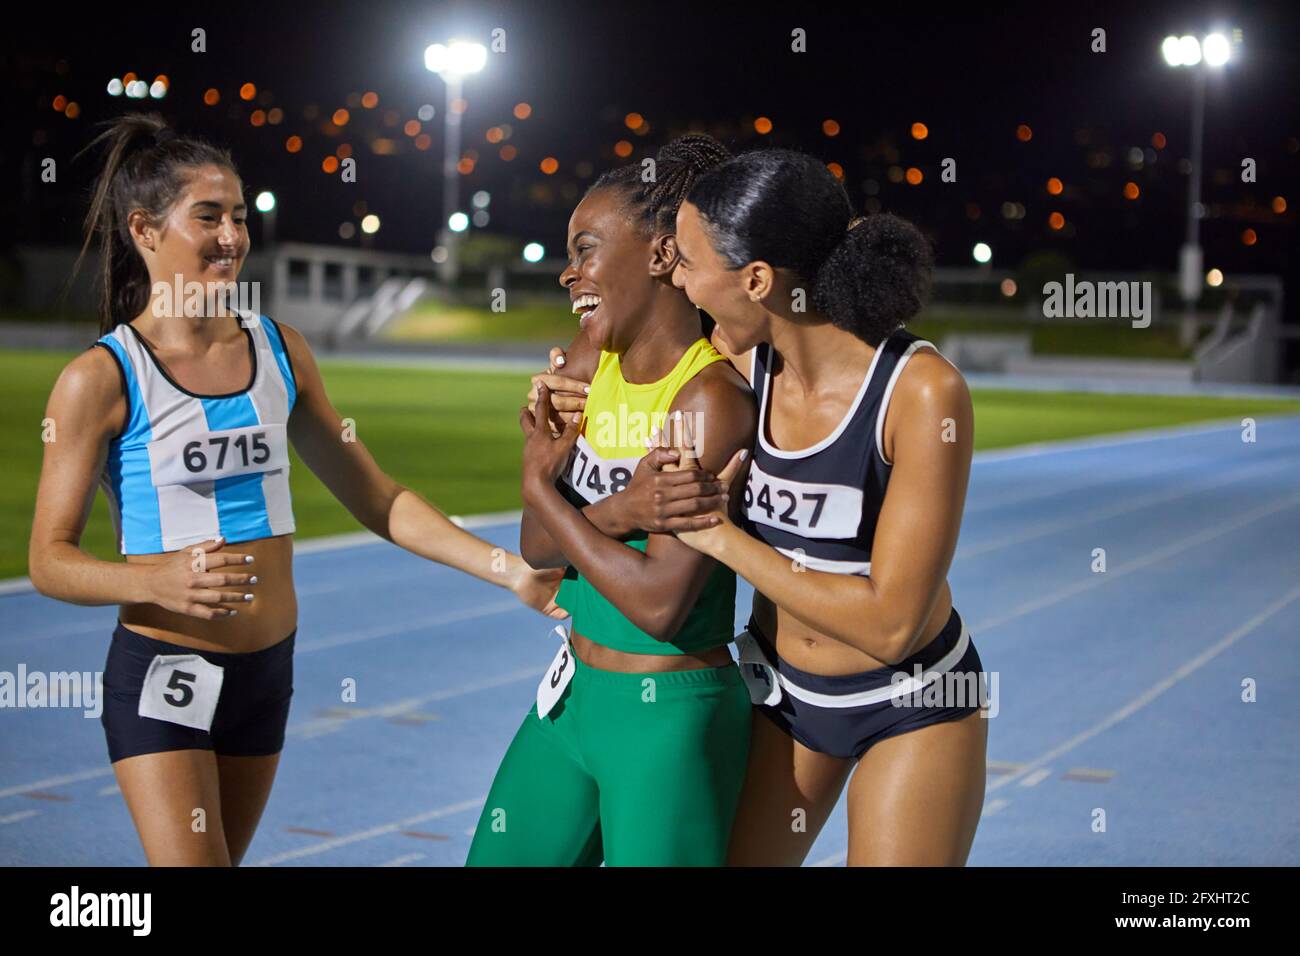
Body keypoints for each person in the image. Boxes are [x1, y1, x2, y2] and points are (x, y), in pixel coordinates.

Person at [27, 113, 563, 867]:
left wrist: (507, 569)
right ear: (145, 230)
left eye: (240, 217)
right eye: (207, 217)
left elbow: (377, 499)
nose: (232, 236)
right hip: (166, 671)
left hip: (267, 670)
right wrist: (156, 577)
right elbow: (49, 560)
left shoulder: (279, 351)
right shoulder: (103, 378)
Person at [465, 135, 757, 866]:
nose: (569, 273)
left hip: (667, 721)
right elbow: (538, 547)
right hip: (571, 702)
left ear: (662, 255)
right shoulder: (591, 361)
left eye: (585, 249)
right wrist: (620, 511)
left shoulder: (710, 399)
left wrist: (548, 493)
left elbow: (660, 602)